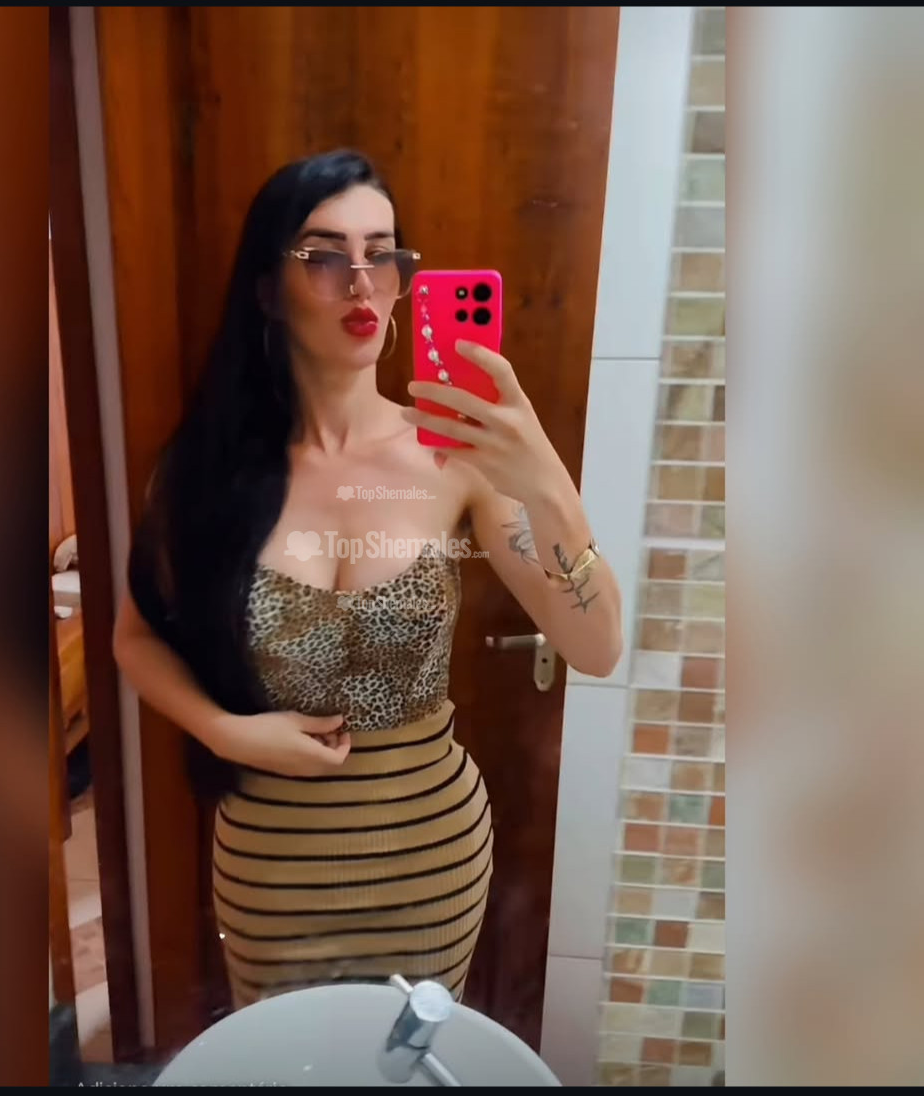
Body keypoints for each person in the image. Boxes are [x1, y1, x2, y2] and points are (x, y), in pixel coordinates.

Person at [113, 149, 622, 1011]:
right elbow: (134, 637)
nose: (361, 283)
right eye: (325, 256)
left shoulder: (456, 457)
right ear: (267, 291)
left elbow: (598, 646)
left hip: (431, 857)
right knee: (283, 1062)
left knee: (410, 1060)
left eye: (382, 255)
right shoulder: (202, 471)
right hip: (269, 862)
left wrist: (547, 483)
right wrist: (224, 733)